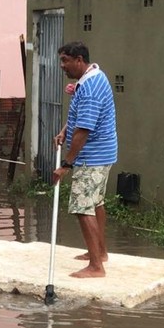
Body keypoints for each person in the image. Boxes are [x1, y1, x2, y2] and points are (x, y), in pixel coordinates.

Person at [52, 42, 118, 278]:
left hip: (92, 157)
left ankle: (96, 267)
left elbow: (84, 129)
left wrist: (66, 165)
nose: (62, 66)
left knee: (83, 207)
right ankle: (99, 253)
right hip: (103, 153)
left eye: (65, 61)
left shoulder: (89, 88)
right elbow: (81, 117)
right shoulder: (95, 76)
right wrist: (64, 130)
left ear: (79, 60)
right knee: (96, 203)